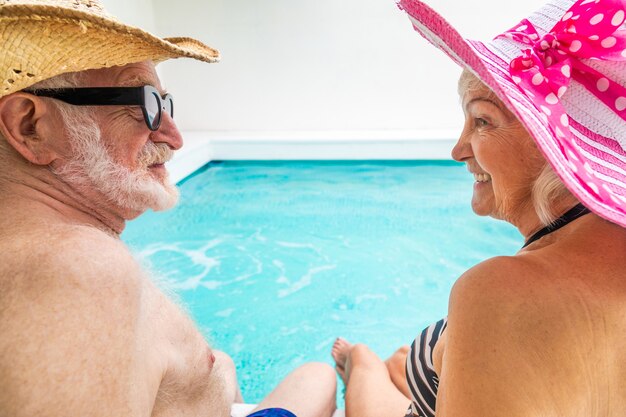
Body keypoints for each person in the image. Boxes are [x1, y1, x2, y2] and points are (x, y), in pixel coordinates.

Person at [0, 1, 337, 417]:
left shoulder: (38, 256)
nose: (174, 137)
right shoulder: (74, 269)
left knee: (286, 373)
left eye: (165, 104)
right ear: (31, 127)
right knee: (317, 377)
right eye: (145, 104)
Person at [331, 0, 626, 416]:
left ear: (550, 144)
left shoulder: (499, 293)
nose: (458, 150)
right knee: (426, 360)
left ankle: (366, 361)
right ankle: (410, 365)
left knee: (365, 370)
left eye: (482, 121)